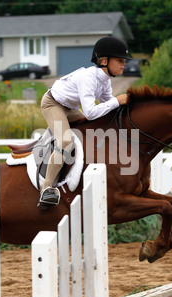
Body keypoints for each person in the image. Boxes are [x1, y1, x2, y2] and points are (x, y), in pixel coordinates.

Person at [37, 36, 131, 210]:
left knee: (91, 130)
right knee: (66, 142)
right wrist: (118, 101)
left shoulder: (105, 81)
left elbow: (108, 107)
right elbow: (91, 112)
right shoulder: (88, 77)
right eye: (119, 60)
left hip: (69, 107)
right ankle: (47, 188)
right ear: (104, 61)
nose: (123, 64)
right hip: (53, 104)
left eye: (123, 61)